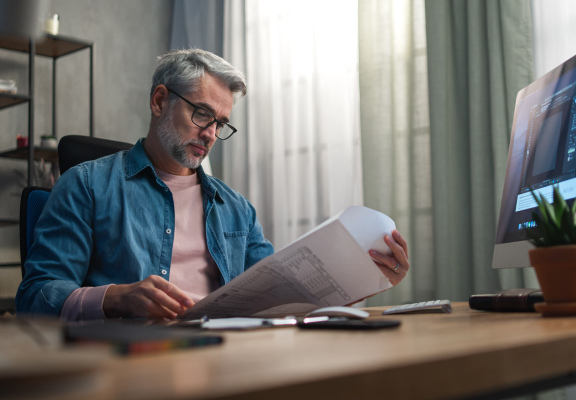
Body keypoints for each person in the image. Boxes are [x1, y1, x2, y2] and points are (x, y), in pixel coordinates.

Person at [16, 49, 409, 321]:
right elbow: (34, 297)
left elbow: (281, 296)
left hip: (227, 355)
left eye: (221, 123)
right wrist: (117, 298)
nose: (210, 134)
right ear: (159, 101)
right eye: (202, 114)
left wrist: (361, 281)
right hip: (130, 361)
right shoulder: (86, 184)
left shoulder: (236, 208)